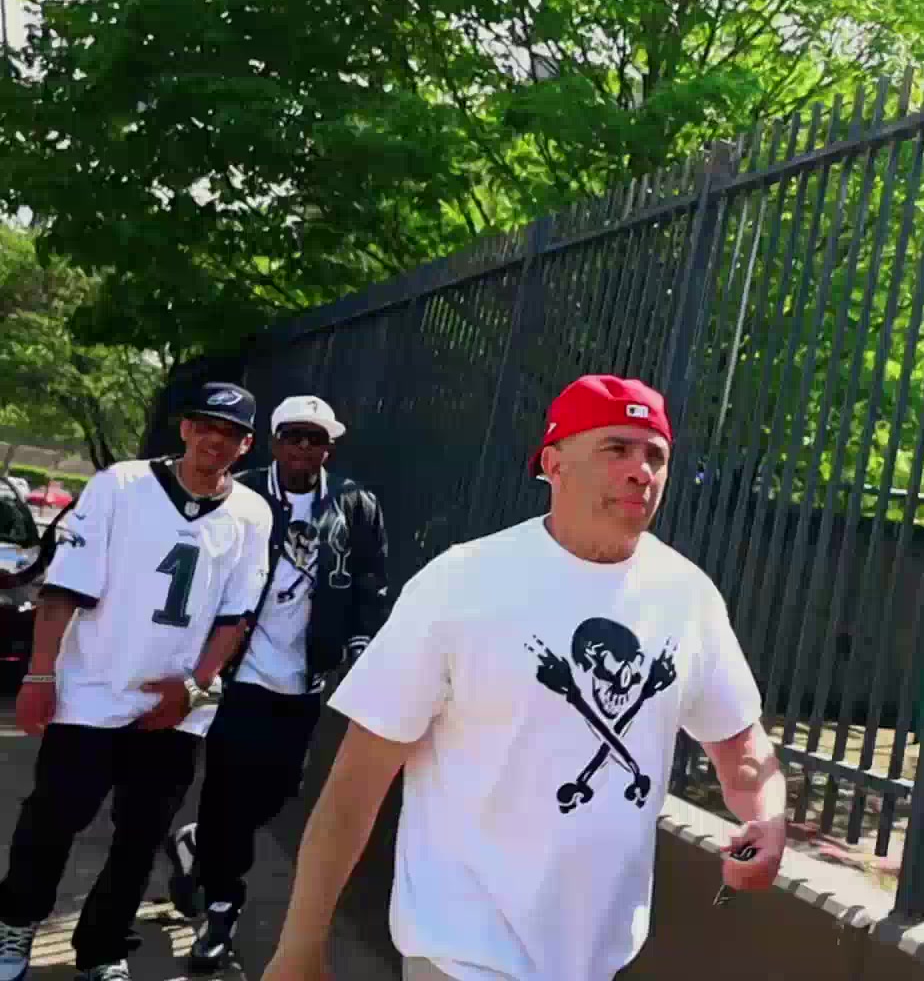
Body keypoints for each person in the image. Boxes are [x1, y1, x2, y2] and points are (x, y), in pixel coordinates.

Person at [262, 374, 786, 981]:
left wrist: (768, 816)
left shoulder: (686, 596)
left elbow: (741, 747)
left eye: (656, 455)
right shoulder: (462, 583)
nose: (641, 471)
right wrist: (299, 948)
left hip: (600, 956)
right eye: (616, 448)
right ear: (553, 464)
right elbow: (356, 785)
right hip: (463, 950)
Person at [0, 382, 274, 981]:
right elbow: (63, 590)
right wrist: (40, 674)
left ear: (246, 444)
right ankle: (16, 923)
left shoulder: (253, 513)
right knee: (52, 820)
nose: (214, 439)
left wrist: (193, 688)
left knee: (141, 835)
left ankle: (103, 948)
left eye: (229, 432)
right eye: (205, 425)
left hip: (176, 705)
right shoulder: (121, 486)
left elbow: (235, 617)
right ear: (185, 428)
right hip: (91, 691)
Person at [162, 394, 391, 973]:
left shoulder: (355, 504)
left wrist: (360, 642)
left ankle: (198, 845)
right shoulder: (242, 495)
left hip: (304, 675)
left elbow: (370, 582)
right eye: (293, 436)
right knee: (227, 790)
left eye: (315, 439)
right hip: (240, 669)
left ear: (328, 449)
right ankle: (222, 910)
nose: (303, 448)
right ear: (273, 441)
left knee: (279, 792)